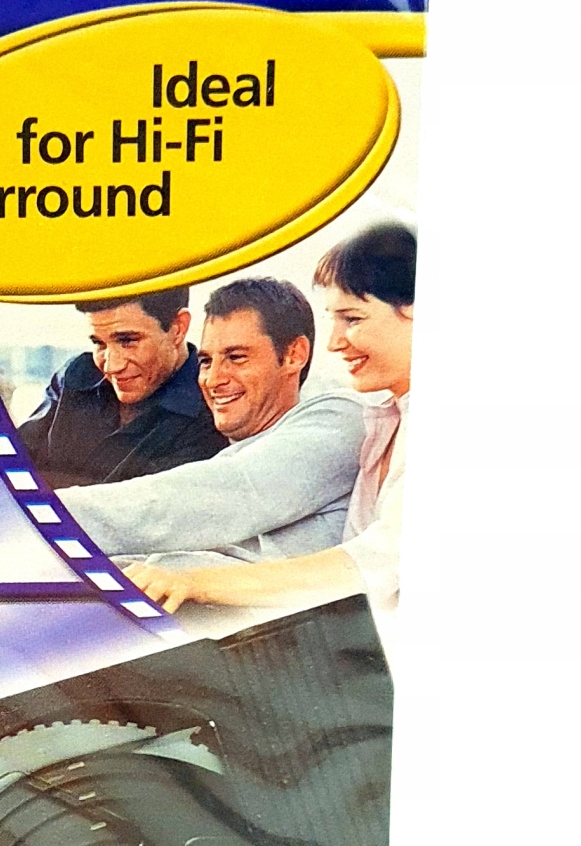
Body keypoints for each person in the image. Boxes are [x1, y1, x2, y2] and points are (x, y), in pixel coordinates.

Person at [123, 225, 415, 620]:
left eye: (352, 319)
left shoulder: (347, 422)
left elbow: (372, 564)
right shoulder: (383, 424)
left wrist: (194, 582)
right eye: (206, 360)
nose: (334, 342)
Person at [56, 276, 364, 563]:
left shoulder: (341, 420)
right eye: (205, 361)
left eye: (236, 357)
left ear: (294, 355)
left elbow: (193, 503)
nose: (213, 379)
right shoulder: (219, 454)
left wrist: (43, 515)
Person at [16, 288, 229, 488]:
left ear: (178, 328)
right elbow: (10, 467)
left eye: (127, 341)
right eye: (99, 344)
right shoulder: (77, 375)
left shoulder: (216, 412)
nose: (111, 366)